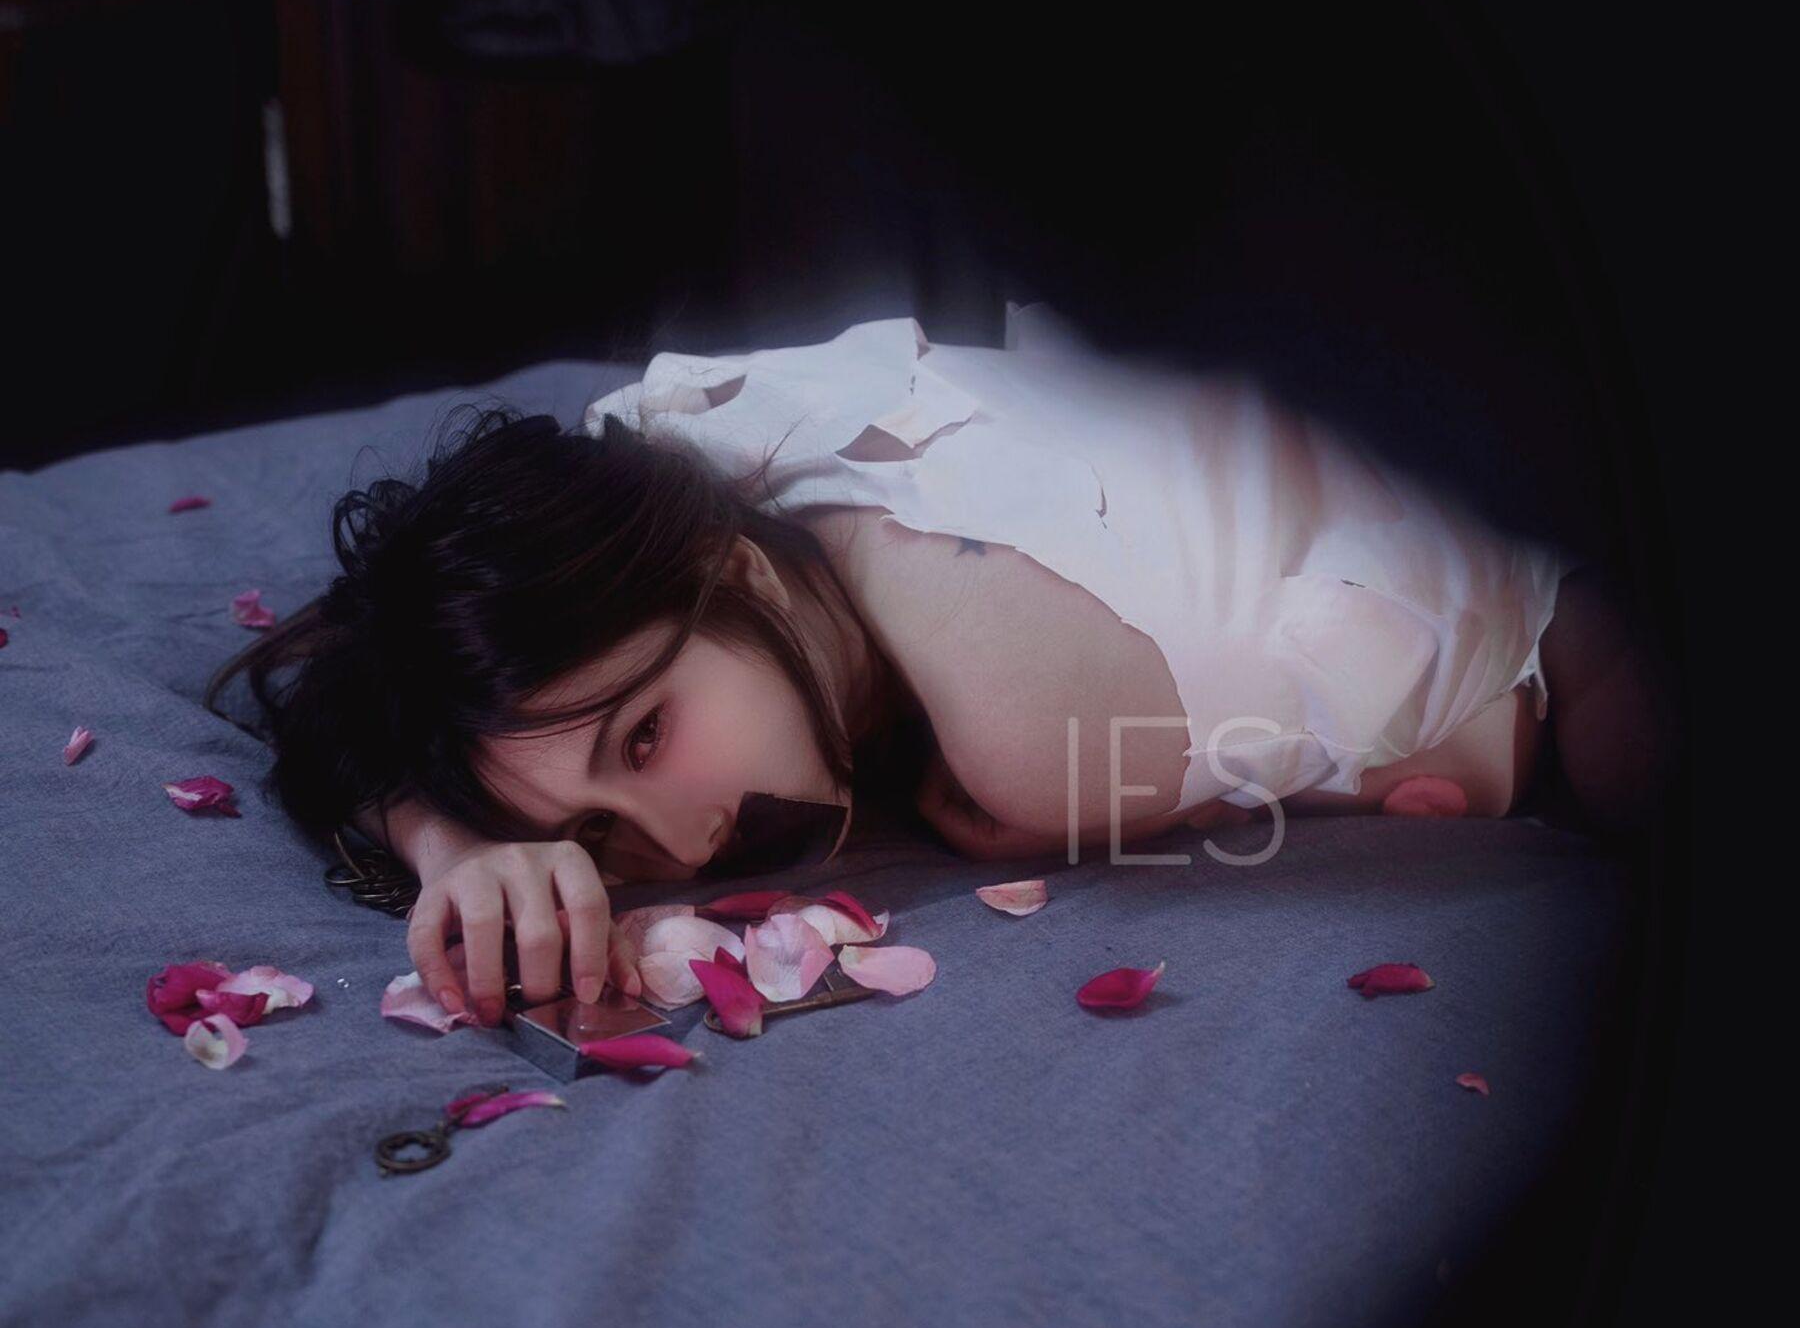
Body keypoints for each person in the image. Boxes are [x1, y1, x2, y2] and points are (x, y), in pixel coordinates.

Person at [205, 307, 1675, 1025]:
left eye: (646, 739)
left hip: (1529, 575)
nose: (687, 851)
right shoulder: (652, 465)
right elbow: (349, 672)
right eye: (598, 831)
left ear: (732, 572)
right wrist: (460, 842)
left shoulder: (1010, 746)